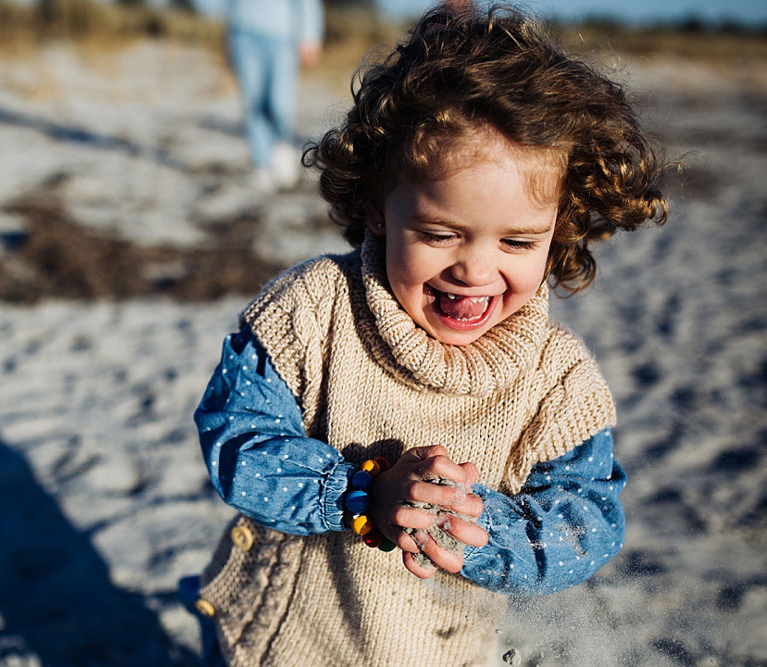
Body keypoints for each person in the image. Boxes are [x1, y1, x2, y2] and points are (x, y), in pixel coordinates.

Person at [183, 2, 669, 665]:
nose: (474, 268)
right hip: (284, 640)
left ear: (561, 224)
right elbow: (236, 434)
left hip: (437, 648)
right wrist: (364, 492)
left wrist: (472, 524)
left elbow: (589, 521)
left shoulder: (558, 382)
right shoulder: (312, 310)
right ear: (381, 202)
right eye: (441, 234)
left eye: (518, 240)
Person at [225, 0, 323, 191]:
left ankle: (282, 147)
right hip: (242, 34)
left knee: (280, 104)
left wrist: (311, 35)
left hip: (282, 36)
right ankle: (262, 164)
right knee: (253, 103)